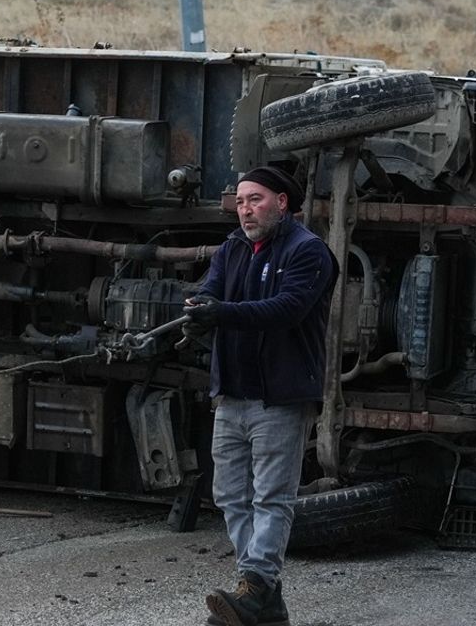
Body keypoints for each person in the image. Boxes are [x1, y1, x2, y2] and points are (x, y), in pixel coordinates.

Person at [183, 166, 338, 626]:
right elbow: (208, 293)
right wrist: (195, 309)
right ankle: (264, 601)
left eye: (256, 200)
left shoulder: (309, 252)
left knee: (272, 498)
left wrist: (220, 313)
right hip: (232, 394)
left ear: (282, 203)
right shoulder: (232, 248)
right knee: (230, 495)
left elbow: (287, 309)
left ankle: (252, 587)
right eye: (241, 201)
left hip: (281, 397)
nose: (245, 210)